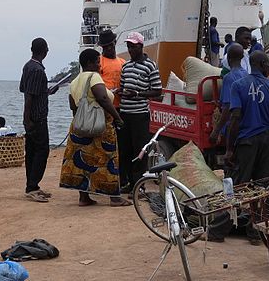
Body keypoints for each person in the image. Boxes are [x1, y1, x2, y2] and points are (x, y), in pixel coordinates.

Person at [224, 51, 269, 244]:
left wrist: (229, 148)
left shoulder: (238, 86)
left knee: (239, 187)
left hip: (246, 142)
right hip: (267, 142)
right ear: (261, 64)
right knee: (264, 187)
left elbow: (235, 118)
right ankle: (257, 231)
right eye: (268, 65)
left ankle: (219, 230)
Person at [59, 49, 132, 207]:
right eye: (97, 61)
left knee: (81, 162)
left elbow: (73, 105)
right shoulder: (93, 77)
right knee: (109, 159)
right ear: (89, 63)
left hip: (80, 126)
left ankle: (84, 198)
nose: (100, 65)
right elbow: (103, 98)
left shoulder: (75, 81)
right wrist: (118, 118)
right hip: (100, 125)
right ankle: (114, 198)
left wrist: (82, 122)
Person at [117, 32, 162, 193]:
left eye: (133, 47)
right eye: (128, 46)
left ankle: (139, 185)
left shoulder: (150, 65)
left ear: (141, 46)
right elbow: (122, 86)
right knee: (125, 150)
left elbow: (157, 90)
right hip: (125, 114)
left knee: (140, 151)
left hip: (140, 114)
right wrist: (120, 92)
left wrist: (136, 94)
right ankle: (129, 182)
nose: (130, 50)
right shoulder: (126, 66)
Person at [19, 37, 58, 203]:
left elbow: (26, 90)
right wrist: (27, 119)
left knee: (32, 152)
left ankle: (32, 186)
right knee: (42, 151)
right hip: (37, 118)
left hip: (33, 117)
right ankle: (32, 185)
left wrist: (47, 91)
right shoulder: (37, 70)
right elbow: (29, 96)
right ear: (45, 51)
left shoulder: (28, 66)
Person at [209, 44, 247, 145]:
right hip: (247, 126)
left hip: (234, 129)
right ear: (242, 57)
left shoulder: (228, 78)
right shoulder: (247, 75)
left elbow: (227, 108)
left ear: (228, 58)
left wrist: (216, 131)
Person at [98, 29, 125, 109]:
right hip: (104, 107)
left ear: (115, 42)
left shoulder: (123, 62)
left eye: (110, 44)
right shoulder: (98, 63)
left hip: (120, 106)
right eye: (105, 46)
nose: (109, 48)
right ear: (102, 47)